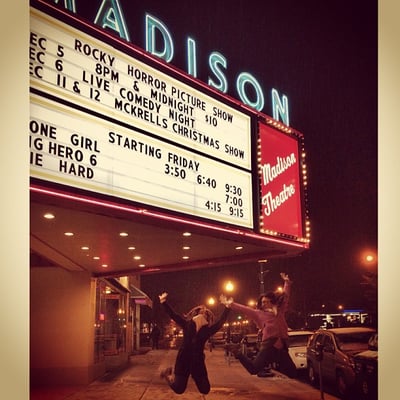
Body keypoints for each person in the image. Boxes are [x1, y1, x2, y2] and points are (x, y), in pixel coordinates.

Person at [222, 272, 297, 378]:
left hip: (282, 348)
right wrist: (231, 304)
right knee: (253, 369)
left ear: (272, 302)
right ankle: (237, 353)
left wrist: (287, 283)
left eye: (266, 302)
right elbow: (246, 310)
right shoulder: (259, 314)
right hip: (269, 346)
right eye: (262, 302)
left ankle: (276, 368)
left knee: (293, 373)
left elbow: (285, 297)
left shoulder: (279, 311)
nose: (263, 304)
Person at [159, 292, 231, 396]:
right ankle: (167, 375)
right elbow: (174, 315)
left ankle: (193, 375)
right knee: (179, 389)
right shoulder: (187, 324)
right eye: (201, 311)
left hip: (198, 363)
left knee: (205, 389)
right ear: (196, 314)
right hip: (183, 360)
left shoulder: (207, 330)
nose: (203, 313)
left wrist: (227, 307)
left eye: (205, 313)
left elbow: (220, 323)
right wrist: (163, 302)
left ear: (207, 317)